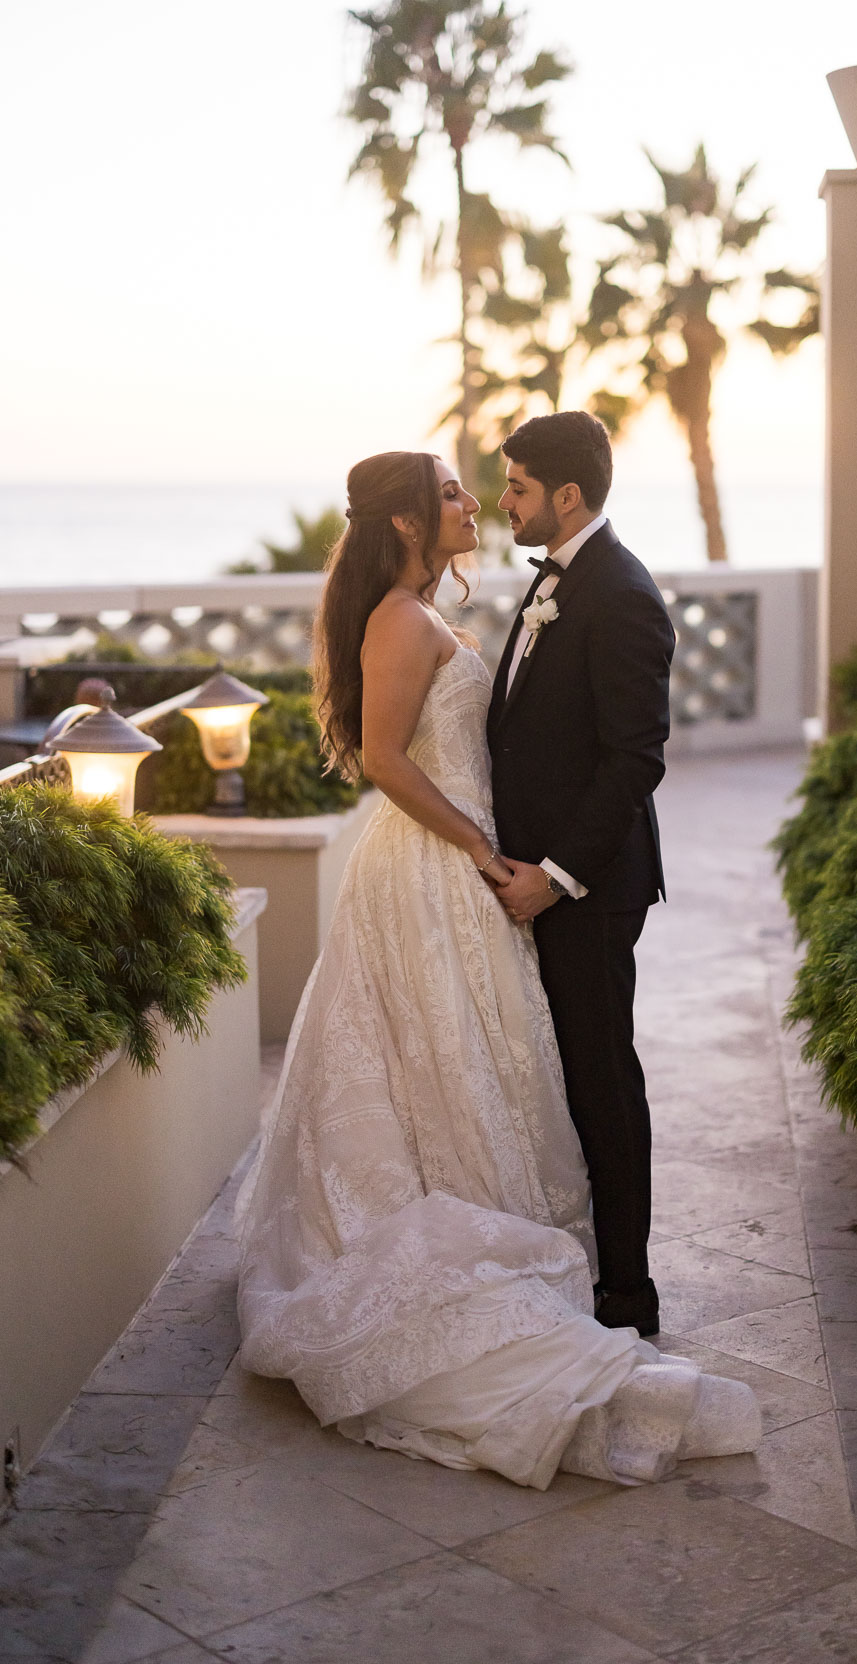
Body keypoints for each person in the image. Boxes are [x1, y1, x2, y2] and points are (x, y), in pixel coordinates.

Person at [236, 447, 759, 1488]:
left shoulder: (501, 600)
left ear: (564, 493)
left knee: (490, 1061)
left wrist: (524, 861)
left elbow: (605, 748)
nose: (476, 499)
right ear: (403, 522)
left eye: (497, 487)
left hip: (499, 875)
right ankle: (502, 1262)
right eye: (452, 492)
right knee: (436, 1059)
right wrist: (480, 849)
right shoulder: (398, 617)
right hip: (435, 871)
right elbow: (387, 759)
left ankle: (602, 1274)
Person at [489, 411, 669, 1339]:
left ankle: (627, 1294)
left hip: (590, 893)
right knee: (566, 1078)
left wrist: (553, 877)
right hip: (539, 882)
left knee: (603, 1079)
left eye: (516, 486)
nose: (503, 501)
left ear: (566, 496)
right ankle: (581, 1261)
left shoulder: (621, 591)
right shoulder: (560, 580)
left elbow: (636, 759)